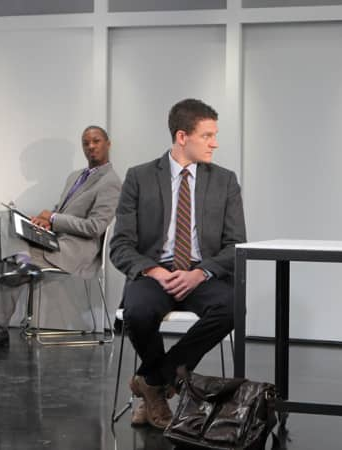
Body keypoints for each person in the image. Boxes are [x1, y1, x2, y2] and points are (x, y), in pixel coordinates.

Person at [109, 98, 246, 429]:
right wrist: (154, 270)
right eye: (208, 135)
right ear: (182, 136)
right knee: (138, 312)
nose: (215, 143)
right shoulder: (139, 177)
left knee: (231, 308)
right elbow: (121, 245)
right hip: (154, 272)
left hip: (202, 272)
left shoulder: (225, 181)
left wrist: (200, 273)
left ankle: (152, 381)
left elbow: (236, 246)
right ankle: (158, 387)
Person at [0, 126, 122, 349]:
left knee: (12, 261)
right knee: (8, 218)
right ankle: (24, 264)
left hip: (75, 250)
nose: (90, 147)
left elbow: (95, 227)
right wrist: (42, 222)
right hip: (54, 239)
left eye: (96, 141)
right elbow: (64, 210)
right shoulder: (75, 177)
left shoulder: (110, 182)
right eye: (86, 143)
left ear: (108, 144)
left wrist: (53, 218)